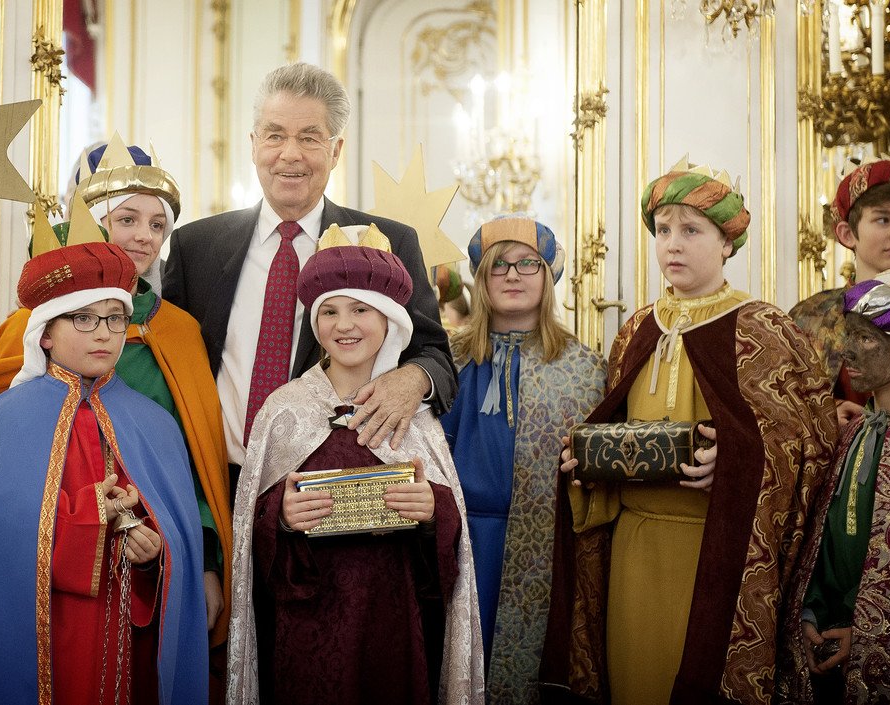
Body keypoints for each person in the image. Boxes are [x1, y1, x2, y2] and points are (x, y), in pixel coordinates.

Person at [0, 142, 231, 705]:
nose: (143, 236)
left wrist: (177, 555)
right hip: (43, 612)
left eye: (158, 224)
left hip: (127, 612)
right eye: (126, 219)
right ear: (47, 334)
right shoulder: (19, 363)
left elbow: (186, 476)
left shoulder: (177, 339)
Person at [540, 158, 839, 705]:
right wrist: (588, 463)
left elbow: (811, 445)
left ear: (727, 242)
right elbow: (615, 427)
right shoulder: (637, 328)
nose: (672, 244)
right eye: (662, 231)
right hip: (634, 546)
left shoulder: (764, 329)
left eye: (691, 230)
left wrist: (739, 463)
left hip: (715, 551)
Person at [162, 62, 455, 484]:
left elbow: (437, 357)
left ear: (335, 151)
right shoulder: (196, 247)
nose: (290, 154)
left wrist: (413, 379)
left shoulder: (384, 242)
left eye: (309, 138)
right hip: (212, 481)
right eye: (275, 135)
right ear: (253, 145)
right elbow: (170, 362)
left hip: (330, 487)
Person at [226, 224, 482, 704]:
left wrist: (433, 510)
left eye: (360, 309)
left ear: (390, 319)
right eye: (329, 311)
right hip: (306, 623)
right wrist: (280, 517)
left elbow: (451, 547)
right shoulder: (283, 410)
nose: (344, 325)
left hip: (395, 618)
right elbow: (250, 539)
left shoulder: (415, 417)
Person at [438, 216, 606, 702]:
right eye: (499, 265)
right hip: (462, 539)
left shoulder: (584, 367)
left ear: (548, 275)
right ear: (481, 278)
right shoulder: (446, 360)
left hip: (548, 546)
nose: (513, 275)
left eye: (528, 264)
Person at [777, 270, 890, 704]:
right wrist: (811, 610)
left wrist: (860, 628)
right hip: (822, 632)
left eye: (865, 338)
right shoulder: (850, 433)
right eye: (849, 336)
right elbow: (821, 540)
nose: (847, 350)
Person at [790, 157, 890, 424]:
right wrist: (826, 416)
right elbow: (783, 405)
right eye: (883, 219)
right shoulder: (809, 317)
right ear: (847, 234)